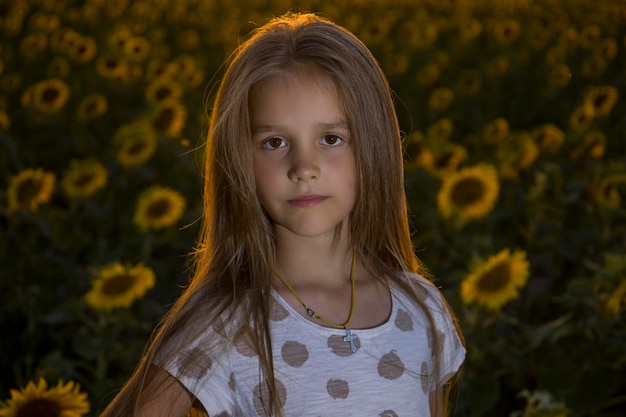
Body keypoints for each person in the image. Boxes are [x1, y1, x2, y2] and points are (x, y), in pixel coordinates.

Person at [101, 12, 465, 417]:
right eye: (275, 142)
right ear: (241, 160)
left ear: (374, 147)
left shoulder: (422, 310)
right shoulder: (227, 323)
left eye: (331, 139)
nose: (303, 167)